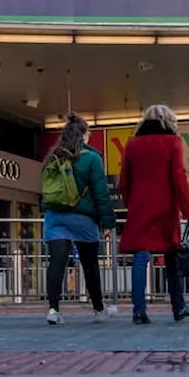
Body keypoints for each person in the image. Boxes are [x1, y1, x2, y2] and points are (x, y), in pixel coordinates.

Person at [118, 104, 189, 324]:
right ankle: (178, 306)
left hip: (139, 206)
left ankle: (138, 310)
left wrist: (131, 202)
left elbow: (123, 180)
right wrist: (188, 211)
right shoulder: (173, 142)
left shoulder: (132, 144)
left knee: (140, 257)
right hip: (165, 206)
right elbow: (178, 178)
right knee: (171, 256)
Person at [40, 113, 117, 325]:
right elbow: (101, 193)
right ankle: (98, 310)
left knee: (56, 263)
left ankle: (53, 310)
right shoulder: (92, 158)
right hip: (83, 218)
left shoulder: (52, 157)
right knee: (90, 265)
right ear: (83, 135)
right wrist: (108, 222)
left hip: (55, 217)